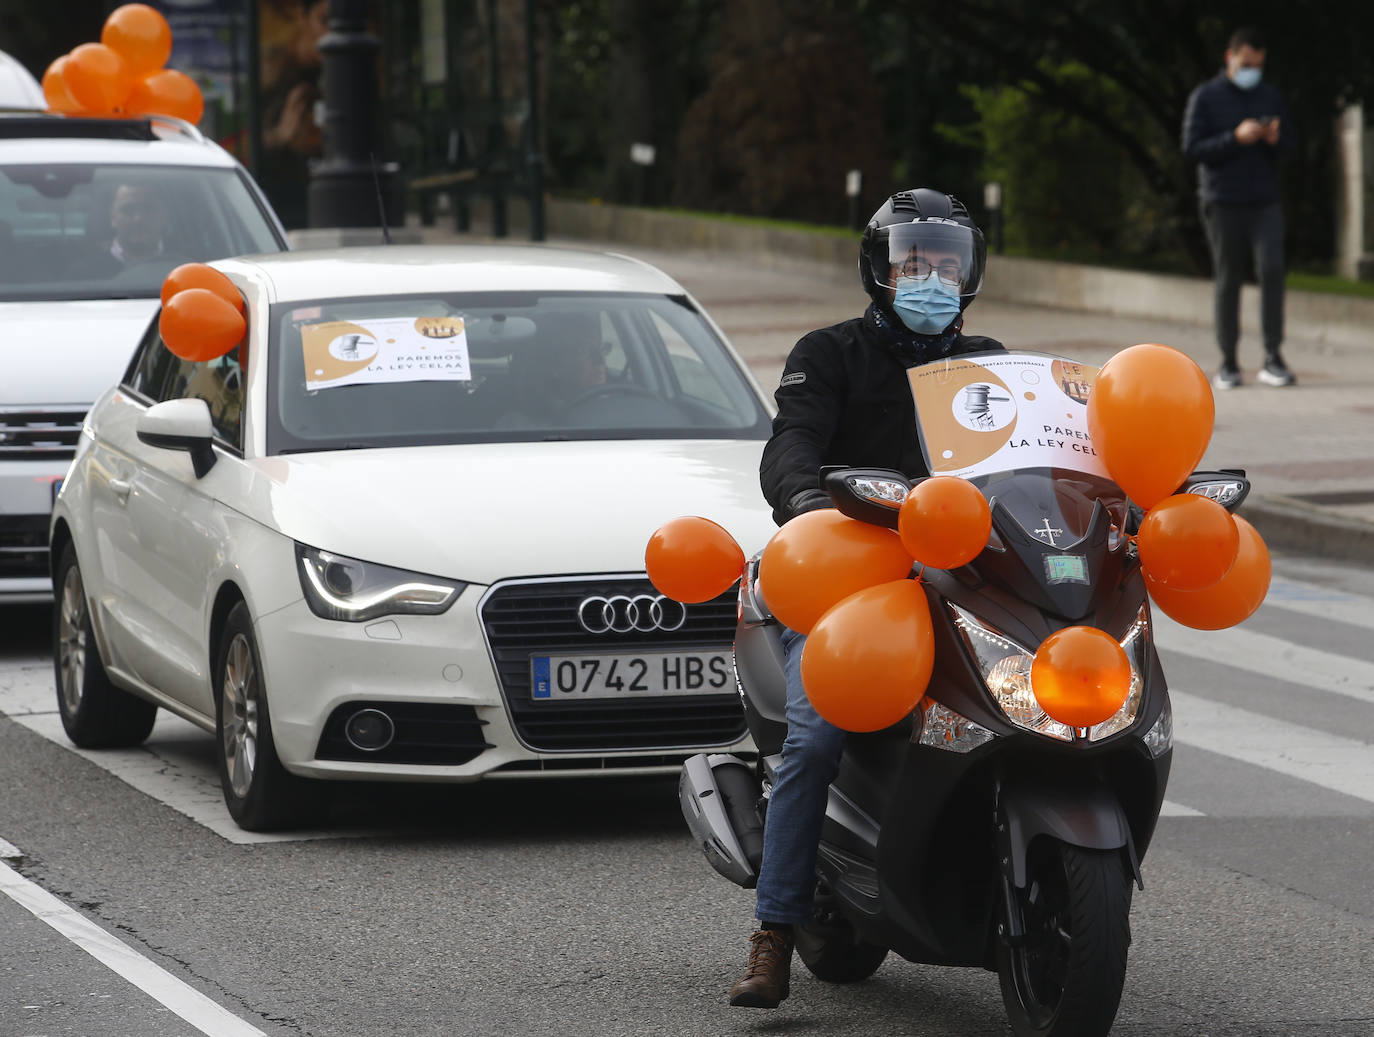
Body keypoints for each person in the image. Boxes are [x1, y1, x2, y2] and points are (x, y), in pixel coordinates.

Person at [729, 188, 1004, 1009]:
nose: (932, 279)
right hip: (841, 581)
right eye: (914, 263)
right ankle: (774, 929)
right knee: (813, 742)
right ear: (880, 271)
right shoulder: (830, 352)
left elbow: (1034, 456)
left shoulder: (986, 364)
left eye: (946, 265)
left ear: (970, 274)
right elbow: (791, 444)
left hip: (955, 580)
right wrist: (809, 499)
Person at [1182, 26, 1295, 390]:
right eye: (1246, 63)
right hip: (1222, 200)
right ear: (1230, 58)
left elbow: (1291, 147)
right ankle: (1228, 362)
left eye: (1258, 65)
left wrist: (1276, 139)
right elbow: (1192, 149)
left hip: (1265, 200)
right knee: (1229, 279)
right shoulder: (1206, 96)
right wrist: (1235, 138)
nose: (1252, 71)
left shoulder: (1270, 95)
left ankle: (1273, 358)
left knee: (1273, 271)